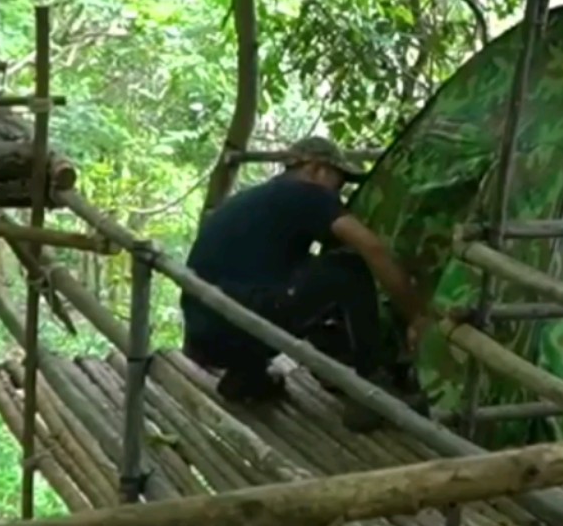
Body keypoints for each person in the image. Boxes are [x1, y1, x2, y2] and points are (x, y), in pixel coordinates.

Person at [181, 135, 431, 407]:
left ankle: (248, 376)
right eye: (339, 181)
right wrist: (416, 314)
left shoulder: (255, 200)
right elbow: (372, 248)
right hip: (242, 320)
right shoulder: (307, 193)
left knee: (301, 281)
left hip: (206, 336)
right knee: (348, 268)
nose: (339, 192)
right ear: (314, 169)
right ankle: (371, 389)